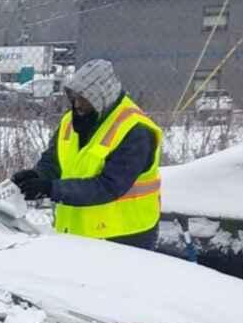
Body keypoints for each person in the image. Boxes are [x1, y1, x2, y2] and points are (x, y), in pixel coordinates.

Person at [8, 60, 163, 250]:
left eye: (85, 98)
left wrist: (52, 189)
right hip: (78, 231)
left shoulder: (135, 130)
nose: (77, 104)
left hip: (125, 235)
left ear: (102, 96)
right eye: (74, 97)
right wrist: (37, 176)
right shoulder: (71, 121)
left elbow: (108, 186)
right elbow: (54, 162)